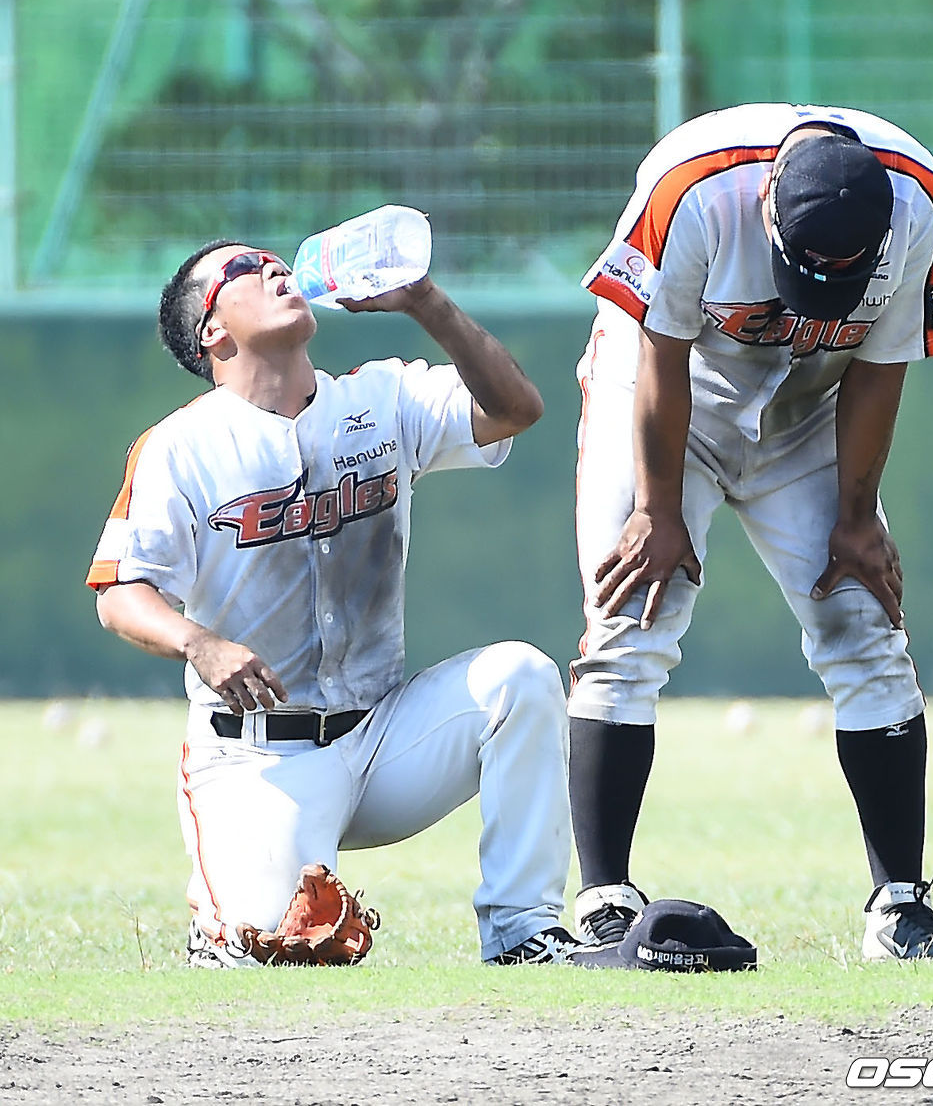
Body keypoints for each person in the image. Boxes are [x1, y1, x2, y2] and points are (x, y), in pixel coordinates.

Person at [86, 239, 579, 967]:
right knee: (266, 950)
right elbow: (120, 593)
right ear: (211, 330)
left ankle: (522, 932)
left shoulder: (380, 398)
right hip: (260, 754)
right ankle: (221, 916)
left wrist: (425, 301)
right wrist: (200, 642)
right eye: (244, 268)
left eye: (273, 258)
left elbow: (515, 409)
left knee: (522, 677)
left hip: (384, 737)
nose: (273, 267)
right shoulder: (179, 447)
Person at [567, 102, 933, 961]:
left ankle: (900, 908)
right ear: (766, 207)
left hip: (814, 401)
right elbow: (660, 351)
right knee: (630, 618)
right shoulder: (696, 186)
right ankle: (605, 901)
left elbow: (880, 369)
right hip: (668, 386)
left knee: (864, 623)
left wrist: (858, 519)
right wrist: (658, 508)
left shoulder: (917, 202)